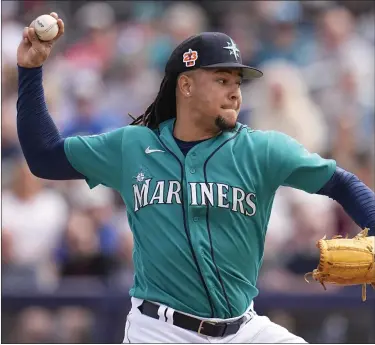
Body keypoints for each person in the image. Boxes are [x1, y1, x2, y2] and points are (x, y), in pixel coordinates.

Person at [16, 12, 375, 343]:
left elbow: (342, 183)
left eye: (237, 81)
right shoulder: (134, 145)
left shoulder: (262, 149)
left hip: (244, 329)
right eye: (221, 79)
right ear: (186, 87)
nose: (235, 91)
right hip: (159, 330)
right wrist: (30, 72)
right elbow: (45, 158)